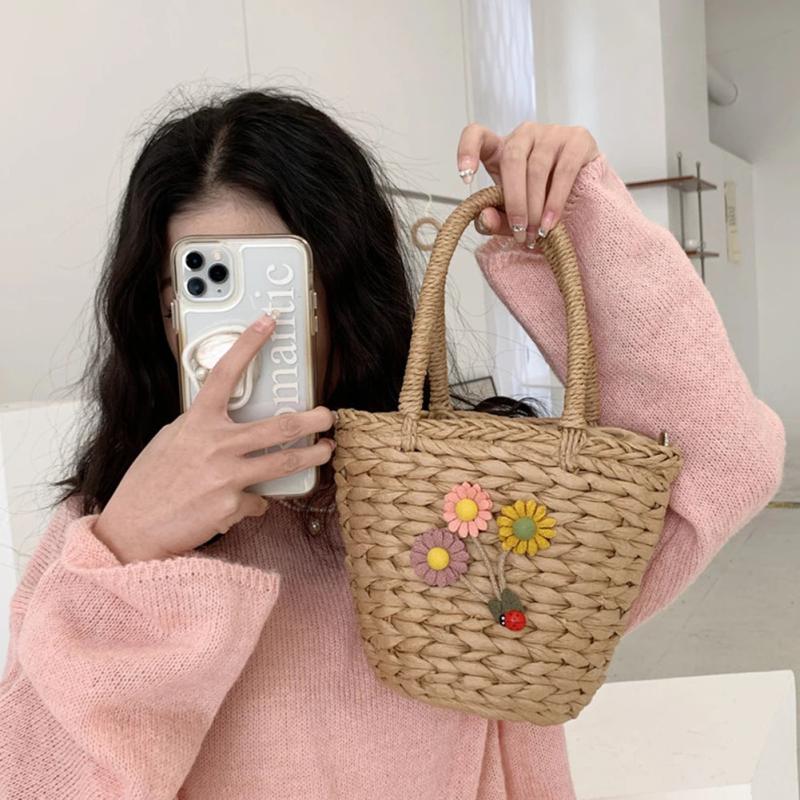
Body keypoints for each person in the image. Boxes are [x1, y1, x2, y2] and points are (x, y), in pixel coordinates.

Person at [0, 87, 785, 800]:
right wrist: (128, 552)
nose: (245, 336)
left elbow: (723, 461)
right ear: (162, 314)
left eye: (277, 285)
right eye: (203, 288)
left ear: (345, 292)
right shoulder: (103, 537)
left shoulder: (464, 500)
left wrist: (577, 222)